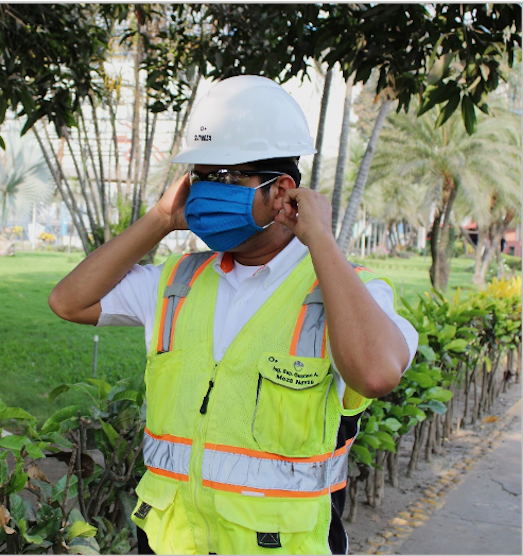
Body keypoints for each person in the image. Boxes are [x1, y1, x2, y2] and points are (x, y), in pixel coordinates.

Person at [48, 75, 418, 555]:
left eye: (227, 178)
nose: (206, 193)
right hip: (168, 544)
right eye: (201, 178)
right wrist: (160, 219)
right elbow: (68, 301)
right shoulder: (176, 282)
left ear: (281, 190)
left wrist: (321, 240)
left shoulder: (350, 291)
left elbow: (375, 373)